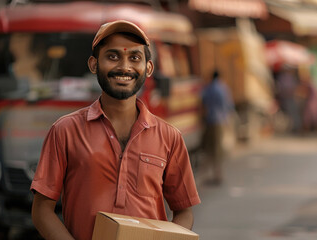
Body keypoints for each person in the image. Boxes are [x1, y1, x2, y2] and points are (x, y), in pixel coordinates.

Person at [30, 20, 201, 240]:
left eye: (135, 58)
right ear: (93, 64)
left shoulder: (170, 137)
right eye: (112, 56)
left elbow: (184, 211)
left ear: (148, 68)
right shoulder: (65, 131)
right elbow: (42, 211)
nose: (124, 67)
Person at [201, 70, 234, 185]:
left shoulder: (209, 88)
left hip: (210, 120)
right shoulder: (223, 88)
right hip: (220, 121)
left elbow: (203, 100)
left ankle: (214, 174)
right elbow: (228, 105)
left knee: (211, 149)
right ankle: (217, 174)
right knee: (217, 149)